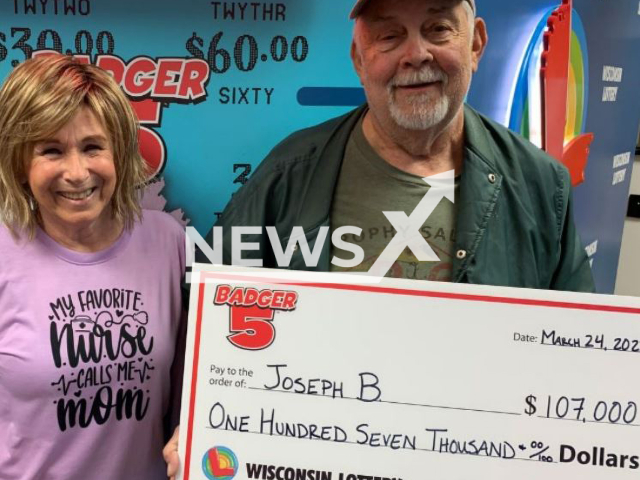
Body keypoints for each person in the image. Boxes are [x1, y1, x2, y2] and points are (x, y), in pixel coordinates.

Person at [197, 0, 594, 292]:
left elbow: (573, 344)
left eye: (438, 28)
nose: (416, 54)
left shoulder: (540, 186)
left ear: (475, 44)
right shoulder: (289, 172)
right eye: (390, 36)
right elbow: (209, 314)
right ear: (359, 59)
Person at [0, 54, 186, 479]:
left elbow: (187, 383)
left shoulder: (165, 240)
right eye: (51, 150)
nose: (77, 172)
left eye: (92, 147)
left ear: (118, 153)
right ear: (19, 165)